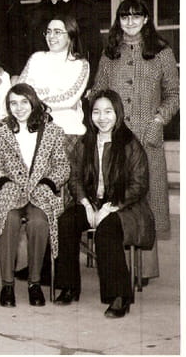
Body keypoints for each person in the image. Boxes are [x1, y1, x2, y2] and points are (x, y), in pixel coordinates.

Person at [93, 0, 179, 282]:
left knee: (148, 200)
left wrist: (158, 121)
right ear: (119, 21)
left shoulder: (161, 52)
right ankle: (118, 265)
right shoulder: (110, 53)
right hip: (115, 137)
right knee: (117, 197)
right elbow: (98, 91)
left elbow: (174, 94)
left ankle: (145, 269)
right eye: (124, 16)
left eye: (136, 16)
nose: (130, 22)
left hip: (147, 137)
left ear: (145, 19)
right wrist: (105, 120)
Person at [54, 90, 155, 318]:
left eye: (108, 111)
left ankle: (119, 295)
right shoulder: (85, 143)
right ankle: (69, 287)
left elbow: (139, 184)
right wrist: (86, 204)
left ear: (118, 113)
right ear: (90, 115)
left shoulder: (130, 143)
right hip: (92, 202)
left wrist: (110, 206)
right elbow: (74, 178)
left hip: (125, 205)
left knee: (106, 230)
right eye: (96, 112)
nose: (102, 118)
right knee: (67, 221)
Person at [0, 83, 69, 308]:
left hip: (40, 192)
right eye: (13, 103)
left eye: (24, 102)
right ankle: (7, 284)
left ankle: (35, 283)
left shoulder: (52, 132)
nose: (19, 107)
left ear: (33, 102)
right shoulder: (0, 134)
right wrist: (3, 182)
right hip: (12, 191)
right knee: (8, 219)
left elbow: (62, 166)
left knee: (38, 222)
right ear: (8, 107)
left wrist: (48, 182)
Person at [27, 0, 103, 87]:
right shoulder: (37, 11)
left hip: (76, 75)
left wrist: (89, 83)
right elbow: (30, 49)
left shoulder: (85, 8)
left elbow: (95, 49)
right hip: (44, 77)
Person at [19, 15, 90, 149]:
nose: (51, 36)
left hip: (67, 132)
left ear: (70, 35)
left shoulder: (80, 64)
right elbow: (19, 93)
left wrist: (35, 96)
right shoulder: (36, 58)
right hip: (33, 131)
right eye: (48, 31)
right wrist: (51, 93)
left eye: (57, 32)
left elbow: (68, 100)